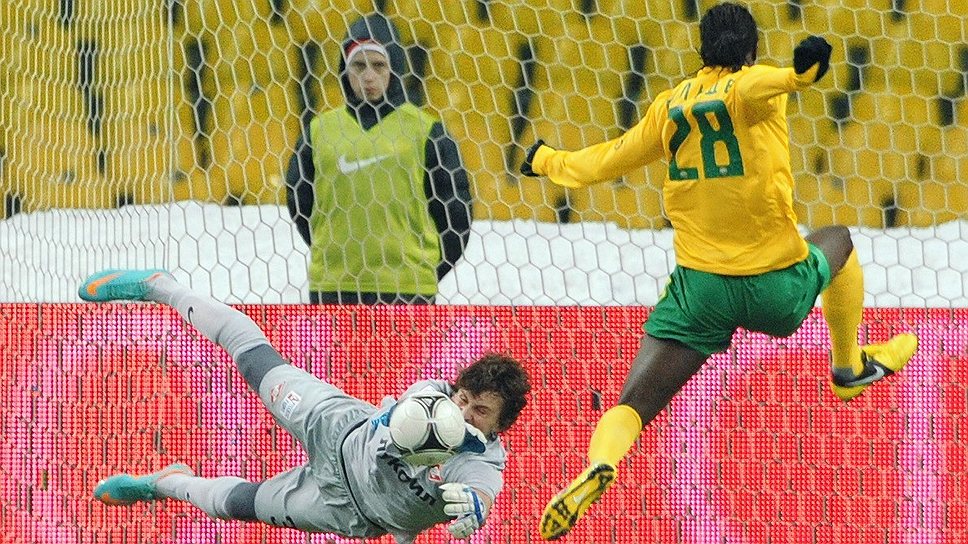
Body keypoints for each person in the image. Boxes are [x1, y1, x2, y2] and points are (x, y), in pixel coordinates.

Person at [519, 3, 918, 540]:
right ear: (751, 50)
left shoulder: (669, 106)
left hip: (701, 291)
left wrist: (545, 159)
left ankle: (601, 462)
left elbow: (604, 162)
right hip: (773, 288)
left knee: (633, 405)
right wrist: (802, 73)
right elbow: (772, 83)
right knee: (838, 240)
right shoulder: (751, 86)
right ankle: (847, 368)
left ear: (701, 49)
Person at [79, 268, 530, 543]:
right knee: (255, 361)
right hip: (336, 428)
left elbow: (482, 490)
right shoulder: (432, 398)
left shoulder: (481, 462)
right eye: (463, 399)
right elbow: (413, 411)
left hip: (343, 509)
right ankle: (162, 287)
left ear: (500, 426)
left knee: (235, 504)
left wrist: (475, 505)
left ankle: (165, 484)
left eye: (480, 412)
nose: (463, 413)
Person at [286, 14, 472, 305]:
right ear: (344, 70)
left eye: (378, 65)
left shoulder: (427, 131)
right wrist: (331, 251)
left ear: (394, 68)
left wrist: (426, 270)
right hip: (334, 286)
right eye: (358, 66)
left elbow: (455, 210)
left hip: (408, 289)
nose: (368, 76)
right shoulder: (319, 131)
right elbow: (300, 204)